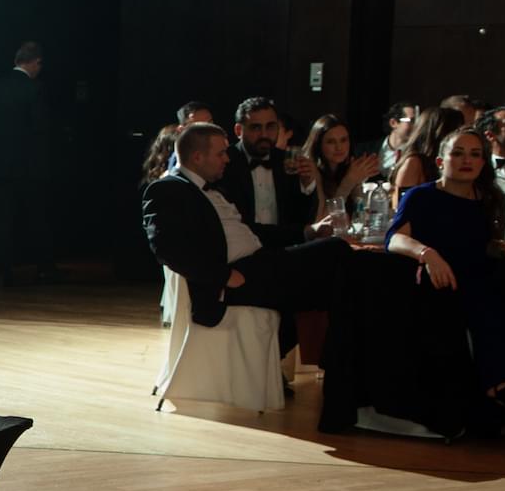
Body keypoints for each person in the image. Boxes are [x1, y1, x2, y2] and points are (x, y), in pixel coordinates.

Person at [142, 122, 349, 335]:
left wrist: (308, 231)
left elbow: (250, 230)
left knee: (331, 278)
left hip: (260, 263)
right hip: (237, 276)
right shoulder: (168, 189)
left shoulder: (213, 188)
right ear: (197, 157)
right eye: (221, 154)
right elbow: (165, 247)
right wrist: (223, 276)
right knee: (335, 253)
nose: (227, 159)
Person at [384, 127, 505, 417]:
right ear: (441, 161)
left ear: (482, 162)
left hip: (480, 274)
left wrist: (500, 247)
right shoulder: (421, 196)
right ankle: (499, 386)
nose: (467, 160)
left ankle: (503, 387)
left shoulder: (487, 198)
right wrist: (427, 254)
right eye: (458, 153)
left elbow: (482, 242)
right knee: (489, 300)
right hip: (439, 277)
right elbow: (395, 239)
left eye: (475, 154)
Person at [0, 41, 55, 283]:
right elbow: (40, 129)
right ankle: (43, 268)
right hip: (29, 167)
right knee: (37, 218)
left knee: (2, 219)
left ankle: (1, 270)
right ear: (36, 62)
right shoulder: (35, 89)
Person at [217, 96, 314, 237]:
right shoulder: (224, 162)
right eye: (256, 127)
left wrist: (306, 184)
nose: (264, 134)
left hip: (286, 245)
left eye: (271, 126)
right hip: (242, 245)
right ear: (238, 131)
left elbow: (302, 216)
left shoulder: (287, 161)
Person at [299, 114, 374, 219]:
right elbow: (322, 221)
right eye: (331, 142)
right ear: (318, 145)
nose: (339, 147)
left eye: (343, 140)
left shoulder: (347, 167)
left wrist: (357, 184)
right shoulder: (311, 171)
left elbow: (361, 216)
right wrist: (348, 182)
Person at [391, 104, 467, 207]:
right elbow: (402, 207)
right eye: (457, 130)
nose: (462, 135)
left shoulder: (446, 161)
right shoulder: (414, 162)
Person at [377, 100, 418, 178]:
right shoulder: (366, 151)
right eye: (411, 121)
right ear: (393, 123)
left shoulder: (418, 152)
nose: (416, 126)